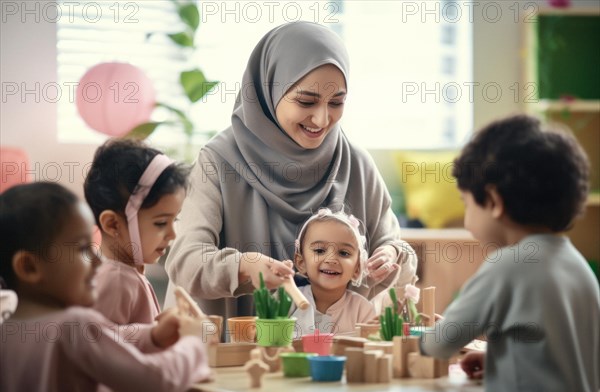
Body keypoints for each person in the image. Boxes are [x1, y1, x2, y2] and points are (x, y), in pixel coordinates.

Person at [164, 21, 417, 325]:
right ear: (269, 89)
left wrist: (389, 257)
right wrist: (244, 267)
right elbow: (185, 262)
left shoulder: (356, 164)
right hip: (229, 356)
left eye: (337, 102)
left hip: (328, 360)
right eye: (306, 101)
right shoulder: (218, 162)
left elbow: (397, 252)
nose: (323, 119)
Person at [420, 115, 599, 392]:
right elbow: (568, 355)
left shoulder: (505, 266)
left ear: (493, 202)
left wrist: (419, 337)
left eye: (466, 204)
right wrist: (499, 359)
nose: (466, 219)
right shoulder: (578, 267)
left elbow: (441, 344)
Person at [0, 182, 211, 392]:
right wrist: (194, 343)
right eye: (83, 249)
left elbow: (104, 341)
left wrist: (153, 336)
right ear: (29, 267)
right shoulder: (75, 325)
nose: (97, 260)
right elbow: (156, 382)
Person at [84, 139, 188, 324]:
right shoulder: (116, 281)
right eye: (161, 222)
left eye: (175, 219)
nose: (173, 234)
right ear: (113, 224)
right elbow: (103, 350)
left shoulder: (126, 275)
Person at [290, 208, 376, 335]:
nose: (331, 260)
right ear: (301, 263)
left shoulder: (363, 310)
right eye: (319, 251)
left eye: (343, 253)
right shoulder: (287, 301)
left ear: (357, 268)